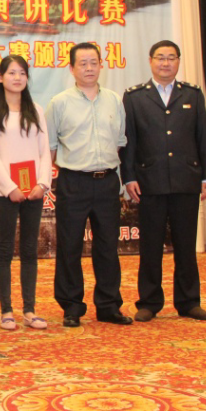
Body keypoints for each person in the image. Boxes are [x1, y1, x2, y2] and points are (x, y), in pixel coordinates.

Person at [121, 40, 206, 322]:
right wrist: (129, 177)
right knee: (150, 246)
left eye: (171, 58)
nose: (165, 63)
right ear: (150, 61)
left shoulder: (193, 94)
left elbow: (203, 137)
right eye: (160, 58)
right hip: (149, 182)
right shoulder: (135, 97)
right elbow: (129, 141)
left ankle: (189, 302)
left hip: (186, 180)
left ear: (178, 61)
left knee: (186, 246)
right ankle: (149, 302)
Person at [46, 42, 131, 328]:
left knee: (107, 246)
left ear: (101, 65)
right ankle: (72, 306)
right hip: (74, 182)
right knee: (69, 246)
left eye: (94, 62)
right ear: (72, 69)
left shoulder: (114, 100)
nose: (89, 68)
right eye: (82, 63)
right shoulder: (59, 103)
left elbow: (120, 141)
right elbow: (51, 147)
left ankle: (108, 305)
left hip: (107, 181)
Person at [0, 55, 53, 331]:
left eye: (22, 73)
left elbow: (44, 151)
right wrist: (10, 187)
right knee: (5, 248)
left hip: (34, 191)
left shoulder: (36, 110)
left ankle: (30, 310)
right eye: (11, 73)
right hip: (5, 193)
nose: (17, 78)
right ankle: (6, 311)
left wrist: (42, 184)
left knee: (29, 249)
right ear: (0, 78)